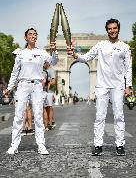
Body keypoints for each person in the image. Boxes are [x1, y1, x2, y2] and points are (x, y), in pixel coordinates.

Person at [69, 18, 132, 156]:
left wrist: (129, 86)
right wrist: (74, 55)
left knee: (119, 116)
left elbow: (128, 68)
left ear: (118, 29)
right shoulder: (100, 45)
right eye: (110, 29)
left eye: (114, 28)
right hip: (102, 85)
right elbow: (87, 57)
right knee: (99, 116)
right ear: (107, 30)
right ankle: (98, 144)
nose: (112, 31)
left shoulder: (125, 47)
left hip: (118, 85)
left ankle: (120, 145)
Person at [5, 28, 58, 155]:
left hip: (37, 86)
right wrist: (9, 87)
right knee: (18, 116)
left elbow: (54, 62)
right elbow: (14, 72)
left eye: (35, 34)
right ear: (26, 37)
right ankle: (14, 146)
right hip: (22, 85)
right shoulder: (20, 53)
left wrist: (54, 51)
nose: (33, 36)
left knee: (38, 116)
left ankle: (41, 145)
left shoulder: (42, 52)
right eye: (30, 34)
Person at [43, 62, 56, 131]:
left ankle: (50, 123)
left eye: (45, 63)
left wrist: (47, 83)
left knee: (49, 107)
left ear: (48, 63)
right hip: (43, 91)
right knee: (44, 108)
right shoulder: (42, 70)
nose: (43, 64)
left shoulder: (51, 70)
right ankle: (46, 123)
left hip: (49, 92)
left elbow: (54, 82)